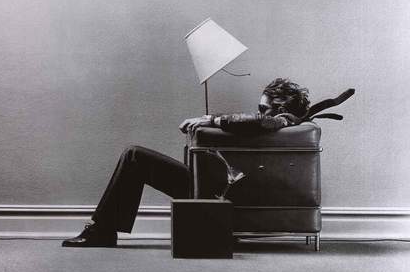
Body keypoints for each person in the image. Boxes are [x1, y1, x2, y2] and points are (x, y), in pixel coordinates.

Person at [61, 78, 311, 248]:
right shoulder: (285, 123)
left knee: (134, 156)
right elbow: (256, 122)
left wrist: (211, 120)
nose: (259, 112)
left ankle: (102, 230)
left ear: (280, 107)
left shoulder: (282, 120)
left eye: (263, 108)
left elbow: (260, 122)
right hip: (219, 187)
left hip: (218, 194)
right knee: (134, 156)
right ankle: (103, 229)